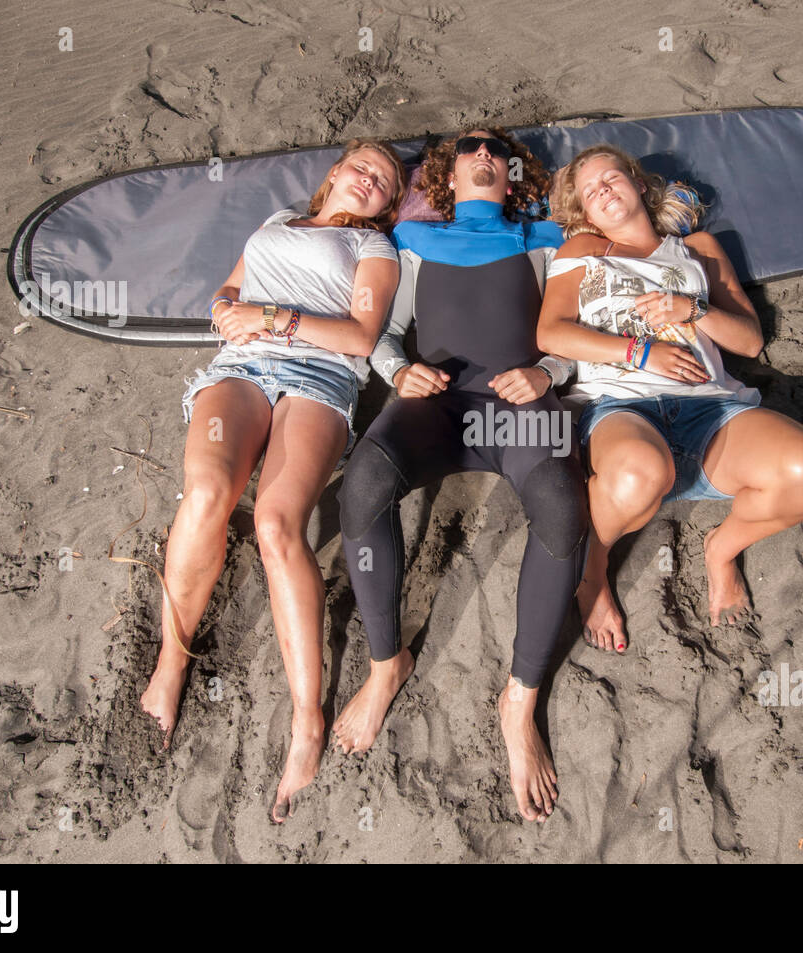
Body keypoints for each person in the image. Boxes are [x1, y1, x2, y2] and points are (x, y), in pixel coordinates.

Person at [138, 138, 406, 823]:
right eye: (362, 164)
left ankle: (307, 718)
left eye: (386, 179)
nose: (372, 177)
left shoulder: (375, 251)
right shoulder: (280, 219)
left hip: (316, 373)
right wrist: (231, 306)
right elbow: (228, 288)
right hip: (240, 367)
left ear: (386, 203)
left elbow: (357, 336)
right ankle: (172, 660)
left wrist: (271, 318)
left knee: (275, 523)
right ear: (335, 173)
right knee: (205, 494)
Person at [334, 128, 589, 823]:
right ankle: (387, 663)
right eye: (468, 147)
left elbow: (571, 327)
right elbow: (385, 334)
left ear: (510, 175)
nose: (482, 152)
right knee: (362, 487)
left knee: (565, 510)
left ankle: (520, 699)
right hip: (437, 403)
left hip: (520, 405)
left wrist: (547, 372)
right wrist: (397, 370)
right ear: (447, 175)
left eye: (495, 149)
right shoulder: (414, 242)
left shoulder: (544, 237)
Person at [537, 144, 803, 653]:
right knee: (637, 474)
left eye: (611, 177)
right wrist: (638, 351)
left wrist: (692, 309)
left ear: (637, 183)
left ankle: (722, 549)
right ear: (585, 214)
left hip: (712, 407)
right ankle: (592, 569)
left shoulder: (697, 248)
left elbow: (749, 341)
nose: (604, 190)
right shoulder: (580, 253)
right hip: (622, 406)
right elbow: (551, 334)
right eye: (591, 191)